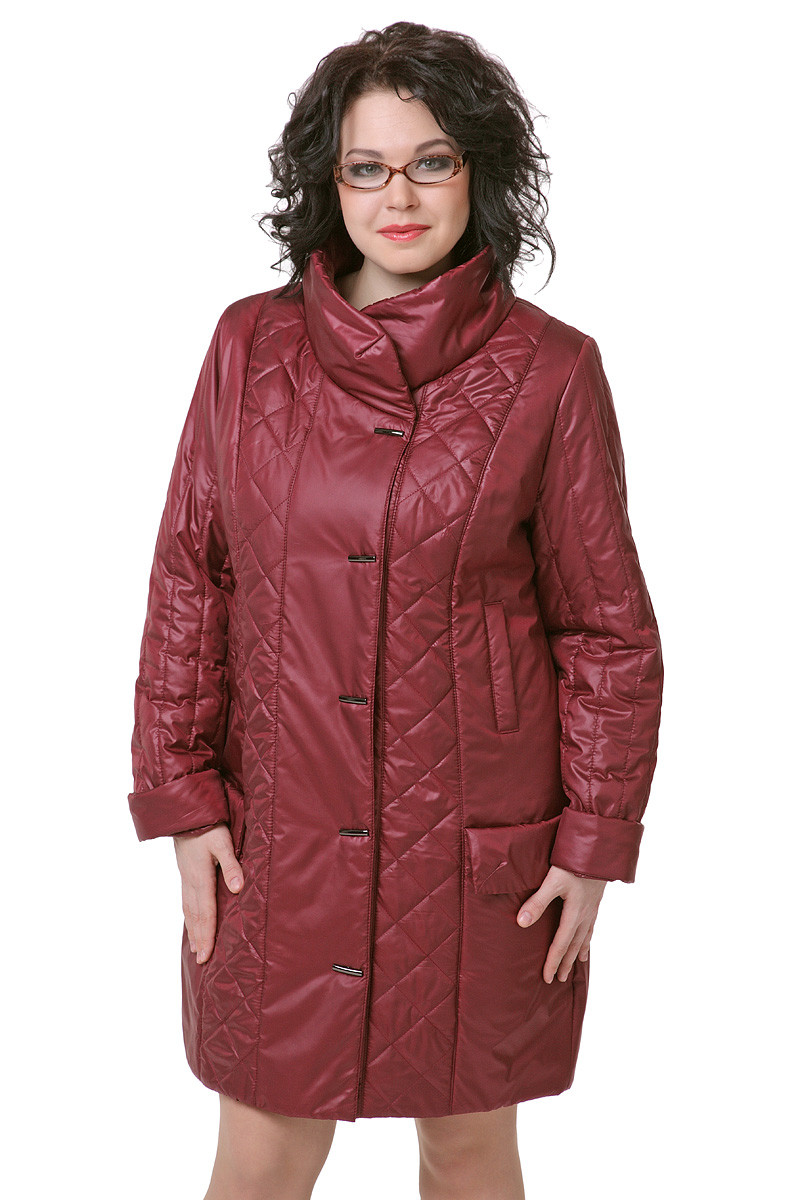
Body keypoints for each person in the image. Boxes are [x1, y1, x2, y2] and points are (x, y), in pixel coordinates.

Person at [127, 20, 664, 1200]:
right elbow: (189, 578)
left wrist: (592, 842)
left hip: (473, 847)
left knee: (467, 1148)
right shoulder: (249, 347)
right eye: (365, 167)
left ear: (478, 170)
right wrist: (180, 796)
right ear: (328, 184)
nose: (399, 197)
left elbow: (604, 630)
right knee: (262, 1152)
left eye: (430, 162)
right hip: (278, 834)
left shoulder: (549, 371)